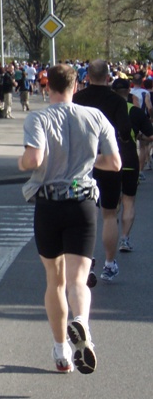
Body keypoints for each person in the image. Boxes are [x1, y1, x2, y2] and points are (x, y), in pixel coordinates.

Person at [18, 64, 120, 374]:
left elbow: (34, 159)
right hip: (83, 203)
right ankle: (81, 323)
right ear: (76, 86)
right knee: (79, 279)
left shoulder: (38, 117)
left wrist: (22, 162)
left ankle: (62, 350)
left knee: (55, 279)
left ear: (47, 86)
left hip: (49, 203)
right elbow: (115, 163)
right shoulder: (95, 117)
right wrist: (89, 161)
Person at [73, 59, 133, 283]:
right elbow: (125, 130)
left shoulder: (78, 99)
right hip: (108, 160)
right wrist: (123, 140)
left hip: (81, 163)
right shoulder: (115, 100)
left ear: (87, 76)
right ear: (108, 77)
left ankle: (86, 260)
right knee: (109, 213)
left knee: (82, 213)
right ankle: (109, 263)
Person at [112, 78, 153, 252]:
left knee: (111, 203)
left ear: (113, 92)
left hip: (109, 161)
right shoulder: (135, 112)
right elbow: (150, 135)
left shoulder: (104, 111)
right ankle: (124, 238)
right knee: (129, 201)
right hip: (129, 160)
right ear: (129, 92)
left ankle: (110, 232)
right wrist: (137, 137)